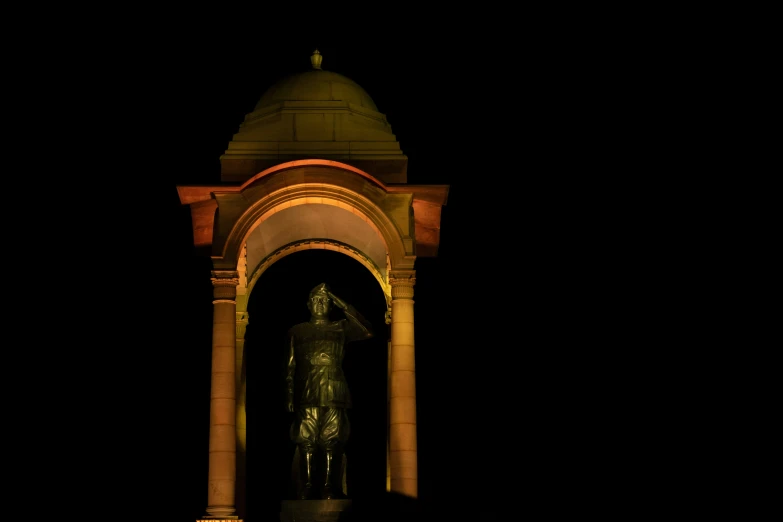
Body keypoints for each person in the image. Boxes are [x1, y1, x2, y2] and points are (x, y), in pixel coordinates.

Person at [286, 283, 374, 500]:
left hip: (335, 391)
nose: (319, 303)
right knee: (306, 441)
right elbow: (290, 366)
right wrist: (289, 395)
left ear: (331, 304)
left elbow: (366, 330)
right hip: (306, 392)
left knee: (332, 441)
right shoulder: (297, 331)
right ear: (308, 304)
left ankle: (328, 487)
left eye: (325, 300)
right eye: (315, 299)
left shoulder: (340, 327)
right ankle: (306, 486)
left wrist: (339, 299)